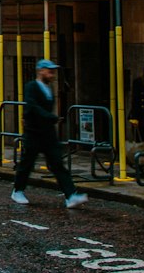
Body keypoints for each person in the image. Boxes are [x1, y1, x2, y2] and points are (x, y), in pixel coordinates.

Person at [11, 59, 87, 210]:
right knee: (27, 163)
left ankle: (70, 195)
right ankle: (18, 190)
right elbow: (32, 106)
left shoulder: (49, 89)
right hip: (33, 132)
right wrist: (50, 117)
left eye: (53, 71)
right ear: (41, 71)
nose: (52, 74)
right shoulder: (31, 86)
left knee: (58, 163)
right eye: (49, 71)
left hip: (47, 133)